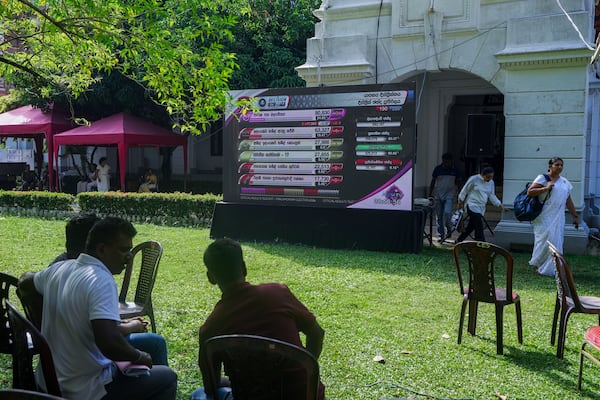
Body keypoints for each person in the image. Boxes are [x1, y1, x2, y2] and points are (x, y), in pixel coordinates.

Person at [18, 217, 177, 400]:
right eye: (124, 250)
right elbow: (109, 343)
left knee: (153, 343)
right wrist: (140, 357)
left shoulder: (60, 268)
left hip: (50, 380)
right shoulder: (101, 280)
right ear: (101, 249)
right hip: (85, 389)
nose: (129, 256)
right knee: (167, 377)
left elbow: (26, 280)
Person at [191, 238, 325, 400]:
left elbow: (210, 386)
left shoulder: (210, 329)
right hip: (305, 394)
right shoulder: (278, 293)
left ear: (210, 278)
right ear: (244, 268)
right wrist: (305, 367)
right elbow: (317, 334)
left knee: (198, 395)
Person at [528, 157, 579, 276]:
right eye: (557, 165)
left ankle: (553, 267)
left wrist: (575, 216)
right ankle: (539, 264)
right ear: (550, 166)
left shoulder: (565, 182)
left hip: (558, 217)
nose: (560, 167)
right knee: (544, 240)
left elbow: (568, 200)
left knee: (556, 241)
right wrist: (545, 188)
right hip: (544, 216)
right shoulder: (542, 178)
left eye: (561, 165)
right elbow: (530, 192)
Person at [456, 166, 508, 243]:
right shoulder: (474, 179)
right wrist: (460, 201)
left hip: (481, 207)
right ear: (483, 175)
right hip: (471, 205)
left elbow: (491, 195)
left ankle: (459, 240)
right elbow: (465, 190)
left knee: (471, 226)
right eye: (488, 177)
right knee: (479, 224)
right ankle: (481, 242)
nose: (489, 179)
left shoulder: (491, 183)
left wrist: (500, 205)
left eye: (491, 177)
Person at [429, 152, 462, 241]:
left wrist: (460, 193)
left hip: (450, 195)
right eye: (445, 161)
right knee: (439, 216)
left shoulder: (456, 170)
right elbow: (433, 181)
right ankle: (441, 235)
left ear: (451, 161)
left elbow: (459, 183)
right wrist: (430, 193)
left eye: (448, 161)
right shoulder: (438, 169)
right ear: (443, 161)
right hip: (439, 195)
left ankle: (449, 228)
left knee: (447, 213)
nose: (447, 163)